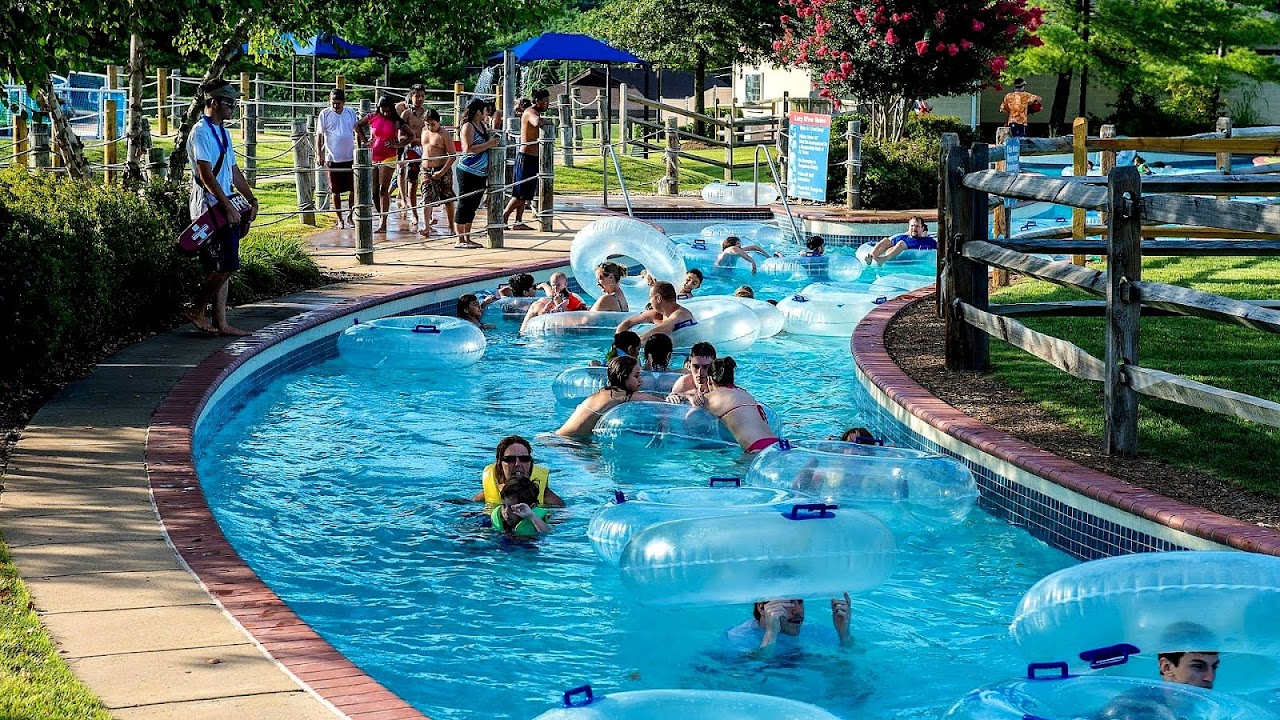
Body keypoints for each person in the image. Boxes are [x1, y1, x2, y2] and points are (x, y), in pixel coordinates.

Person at [186, 79, 257, 337]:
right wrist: (228, 207)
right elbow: (206, 175)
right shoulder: (200, 132)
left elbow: (233, 170)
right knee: (226, 264)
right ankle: (196, 308)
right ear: (214, 102)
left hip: (225, 205)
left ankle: (221, 321)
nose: (233, 107)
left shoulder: (223, 132)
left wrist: (251, 200)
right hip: (209, 208)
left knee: (224, 265)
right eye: (229, 102)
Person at [668, 357, 778, 453]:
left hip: (757, 449)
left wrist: (685, 396)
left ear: (709, 379)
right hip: (777, 444)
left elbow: (690, 415)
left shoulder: (712, 397)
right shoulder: (745, 393)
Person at [556, 356, 662, 437]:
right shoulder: (618, 395)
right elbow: (658, 402)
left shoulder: (607, 392)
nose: (640, 380)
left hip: (563, 438)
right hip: (568, 442)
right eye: (636, 376)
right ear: (624, 377)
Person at [355, 95, 411, 234]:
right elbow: (357, 125)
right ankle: (381, 214)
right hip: (374, 156)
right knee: (374, 190)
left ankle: (383, 222)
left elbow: (411, 135)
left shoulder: (396, 121)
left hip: (389, 156)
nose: (385, 112)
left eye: (388, 109)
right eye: (383, 109)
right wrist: (364, 142)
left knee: (383, 188)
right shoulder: (373, 117)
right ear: (379, 108)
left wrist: (398, 144)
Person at [454, 98, 501, 249]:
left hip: (480, 172)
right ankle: (459, 239)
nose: (487, 112)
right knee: (464, 204)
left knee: (473, 205)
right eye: (485, 110)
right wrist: (489, 144)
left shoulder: (482, 124)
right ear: (478, 111)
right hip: (468, 170)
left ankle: (467, 237)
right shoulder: (468, 126)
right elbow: (468, 149)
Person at [726, 595, 854, 651]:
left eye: (800, 602)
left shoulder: (812, 631)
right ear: (762, 608)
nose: (798, 610)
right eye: (788, 603)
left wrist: (844, 635)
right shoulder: (738, 637)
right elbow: (752, 674)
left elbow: (849, 658)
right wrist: (771, 634)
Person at [473, 435, 565, 507]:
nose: (517, 464)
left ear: (530, 463)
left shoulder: (547, 498)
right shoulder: (488, 494)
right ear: (500, 464)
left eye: (524, 459)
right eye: (510, 459)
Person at [504, 89, 550, 231]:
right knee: (519, 193)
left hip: (533, 158)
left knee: (526, 194)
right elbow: (536, 123)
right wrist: (548, 122)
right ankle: (503, 217)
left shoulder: (536, 112)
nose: (548, 104)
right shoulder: (530, 112)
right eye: (545, 101)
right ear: (537, 101)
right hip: (526, 158)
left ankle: (518, 221)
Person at [315, 88, 358, 229]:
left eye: (338, 103)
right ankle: (339, 219)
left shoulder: (351, 112)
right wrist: (319, 154)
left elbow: (356, 130)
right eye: (333, 102)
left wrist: (359, 149)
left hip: (350, 158)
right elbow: (319, 135)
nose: (335, 106)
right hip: (332, 159)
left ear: (344, 102)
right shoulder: (324, 114)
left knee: (353, 189)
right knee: (335, 191)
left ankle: (350, 215)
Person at [616, 281, 696, 343]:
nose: (650, 301)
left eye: (651, 297)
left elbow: (662, 329)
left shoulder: (680, 314)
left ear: (659, 298)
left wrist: (634, 345)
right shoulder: (656, 314)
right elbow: (628, 323)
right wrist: (618, 341)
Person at [419, 109, 456, 238]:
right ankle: (426, 227)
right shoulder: (424, 131)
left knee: (448, 198)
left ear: (438, 122)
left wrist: (442, 172)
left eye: (433, 124)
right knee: (426, 197)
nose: (430, 127)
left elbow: (452, 155)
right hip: (426, 169)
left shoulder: (444, 134)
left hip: (442, 168)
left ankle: (451, 226)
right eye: (427, 124)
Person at [398, 84, 428, 230]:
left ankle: (428, 215)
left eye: (422, 96)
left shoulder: (427, 113)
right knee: (412, 183)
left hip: (427, 150)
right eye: (417, 96)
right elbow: (401, 136)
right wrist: (415, 140)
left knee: (428, 182)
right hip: (411, 150)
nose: (420, 99)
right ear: (411, 96)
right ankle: (414, 213)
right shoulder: (406, 114)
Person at [519, 272, 588, 332]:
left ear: (565, 284)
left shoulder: (565, 293)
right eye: (553, 285)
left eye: (558, 285)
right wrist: (547, 307)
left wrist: (558, 307)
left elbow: (566, 302)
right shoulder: (556, 293)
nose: (555, 287)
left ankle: (522, 332)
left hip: (577, 310)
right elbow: (552, 300)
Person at [865, 216, 937, 265]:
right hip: (895, 258)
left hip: (912, 261)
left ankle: (883, 260)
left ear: (922, 228)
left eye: (917, 226)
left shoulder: (928, 241)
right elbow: (886, 243)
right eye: (912, 226)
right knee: (885, 240)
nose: (914, 228)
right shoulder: (903, 237)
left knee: (901, 244)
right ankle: (872, 257)